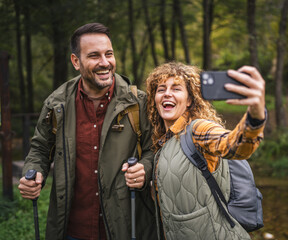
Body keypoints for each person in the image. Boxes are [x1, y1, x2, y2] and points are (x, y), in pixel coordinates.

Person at [18, 23, 156, 240]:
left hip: (127, 229)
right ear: (76, 61)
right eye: (94, 56)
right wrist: (34, 173)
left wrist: (145, 168)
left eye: (108, 54)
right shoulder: (56, 104)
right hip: (72, 230)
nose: (105, 63)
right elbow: (40, 149)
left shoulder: (138, 103)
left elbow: (154, 149)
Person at [146, 62, 266, 240]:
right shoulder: (163, 142)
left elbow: (233, 146)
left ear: (189, 100)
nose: (167, 93)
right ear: (155, 99)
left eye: (176, 88)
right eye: (161, 89)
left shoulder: (197, 129)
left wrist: (255, 117)